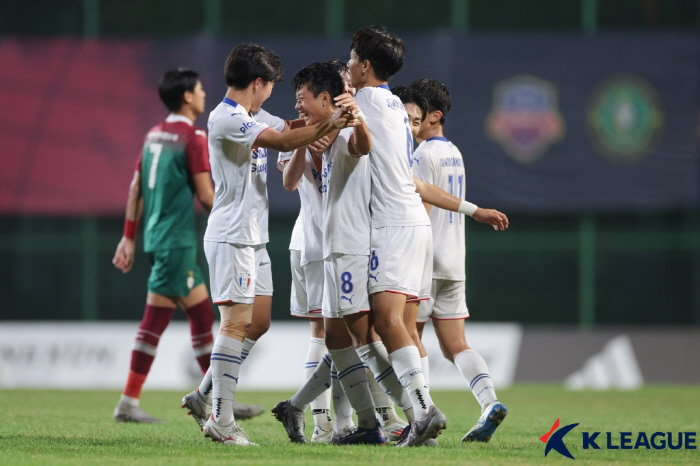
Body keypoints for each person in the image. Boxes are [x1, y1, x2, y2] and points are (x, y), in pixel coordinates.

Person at [181, 43, 357, 446]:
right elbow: (281, 142)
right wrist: (330, 123)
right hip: (232, 234)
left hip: (254, 238)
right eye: (271, 86)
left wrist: (327, 119)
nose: (272, 94)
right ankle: (222, 421)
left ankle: (203, 394)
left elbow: (291, 127)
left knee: (258, 323)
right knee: (236, 322)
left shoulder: (253, 114)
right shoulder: (227, 118)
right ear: (257, 83)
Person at [111, 68, 219, 423]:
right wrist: (236, 213)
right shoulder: (193, 137)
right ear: (187, 96)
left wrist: (128, 236)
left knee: (169, 319)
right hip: (177, 240)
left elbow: (135, 188)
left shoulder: (154, 135)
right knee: (193, 317)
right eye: (200, 89)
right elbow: (205, 196)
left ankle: (130, 401)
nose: (204, 94)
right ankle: (216, 405)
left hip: (157, 238)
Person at [409, 78, 507, 443]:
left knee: (409, 339)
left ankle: (423, 417)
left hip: (424, 260)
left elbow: (419, 207)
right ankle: (489, 402)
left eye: (419, 113)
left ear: (435, 116)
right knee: (455, 346)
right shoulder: (454, 152)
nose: (413, 120)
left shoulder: (421, 154)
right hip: (453, 259)